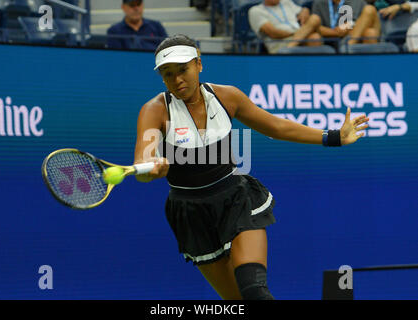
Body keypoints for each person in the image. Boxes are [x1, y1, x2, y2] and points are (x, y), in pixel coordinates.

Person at [132, 34, 369, 300]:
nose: (177, 80)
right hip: (192, 213)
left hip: (236, 200)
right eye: (167, 74)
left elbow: (276, 127)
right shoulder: (155, 110)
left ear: (199, 64)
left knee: (255, 292)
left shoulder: (227, 96)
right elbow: (143, 159)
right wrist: (150, 168)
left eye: (183, 69)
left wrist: (335, 136)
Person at [248, 0, 323, 54]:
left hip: (299, 37)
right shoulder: (256, 10)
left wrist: (305, 11)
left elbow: (302, 10)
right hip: (280, 42)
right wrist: (299, 33)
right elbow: (273, 33)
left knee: (315, 28)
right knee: (314, 34)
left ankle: (290, 47)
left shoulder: (286, 2)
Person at [312, 0, 381, 45]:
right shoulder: (319, 3)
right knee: (314, 37)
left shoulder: (358, 2)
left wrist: (350, 25)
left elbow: (362, 22)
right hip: (328, 39)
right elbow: (315, 26)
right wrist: (335, 32)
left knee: (370, 32)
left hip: (352, 36)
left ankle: (349, 46)